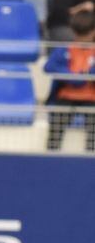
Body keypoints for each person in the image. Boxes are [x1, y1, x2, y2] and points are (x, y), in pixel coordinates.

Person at [44, 9, 95, 151]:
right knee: (56, 126)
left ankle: (91, 161)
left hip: (91, 99)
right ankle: (51, 157)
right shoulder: (63, 50)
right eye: (80, 34)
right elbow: (48, 67)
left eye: (86, 34)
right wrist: (72, 75)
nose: (83, 39)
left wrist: (89, 74)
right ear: (73, 31)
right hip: (66, 96)